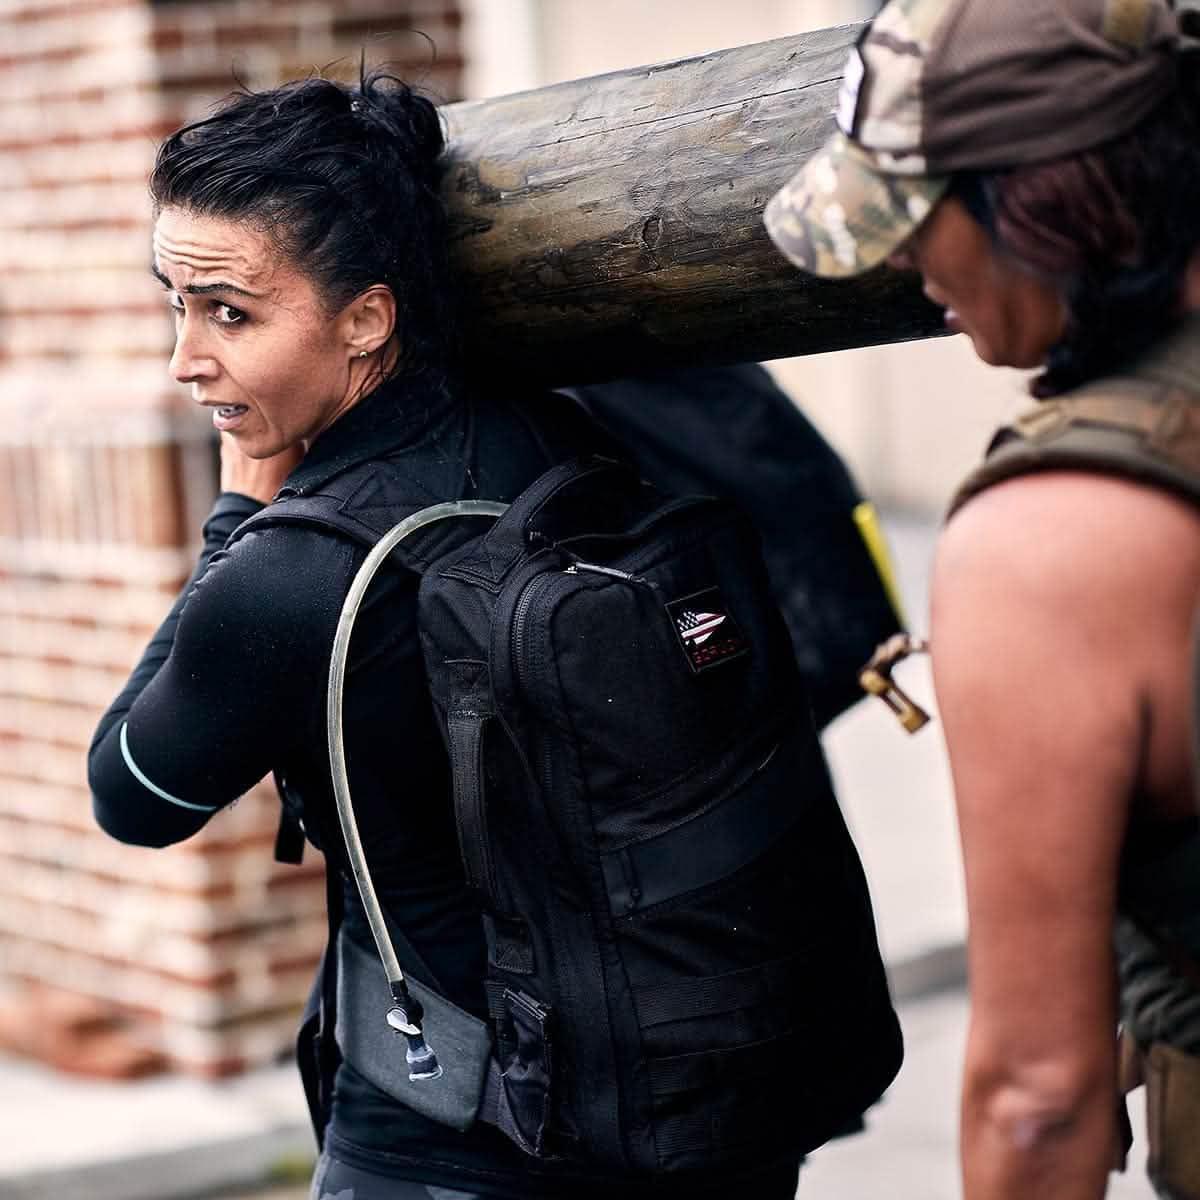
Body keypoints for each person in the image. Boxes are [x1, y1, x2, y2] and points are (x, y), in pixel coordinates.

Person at [88, 65, 902, 1200]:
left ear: (368, 317)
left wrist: (237, 512)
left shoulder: (292, 574)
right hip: (686, 1113)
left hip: (448, 1142)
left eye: (230, 311)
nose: (186, 356)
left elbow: (132, 791)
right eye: (175, 303)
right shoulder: (563, 433)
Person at [766, 0, 1200, 1197]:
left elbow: (1036, 1098)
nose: (901, 264)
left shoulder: (1055, 541)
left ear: (1049, 199)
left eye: (912, 219)